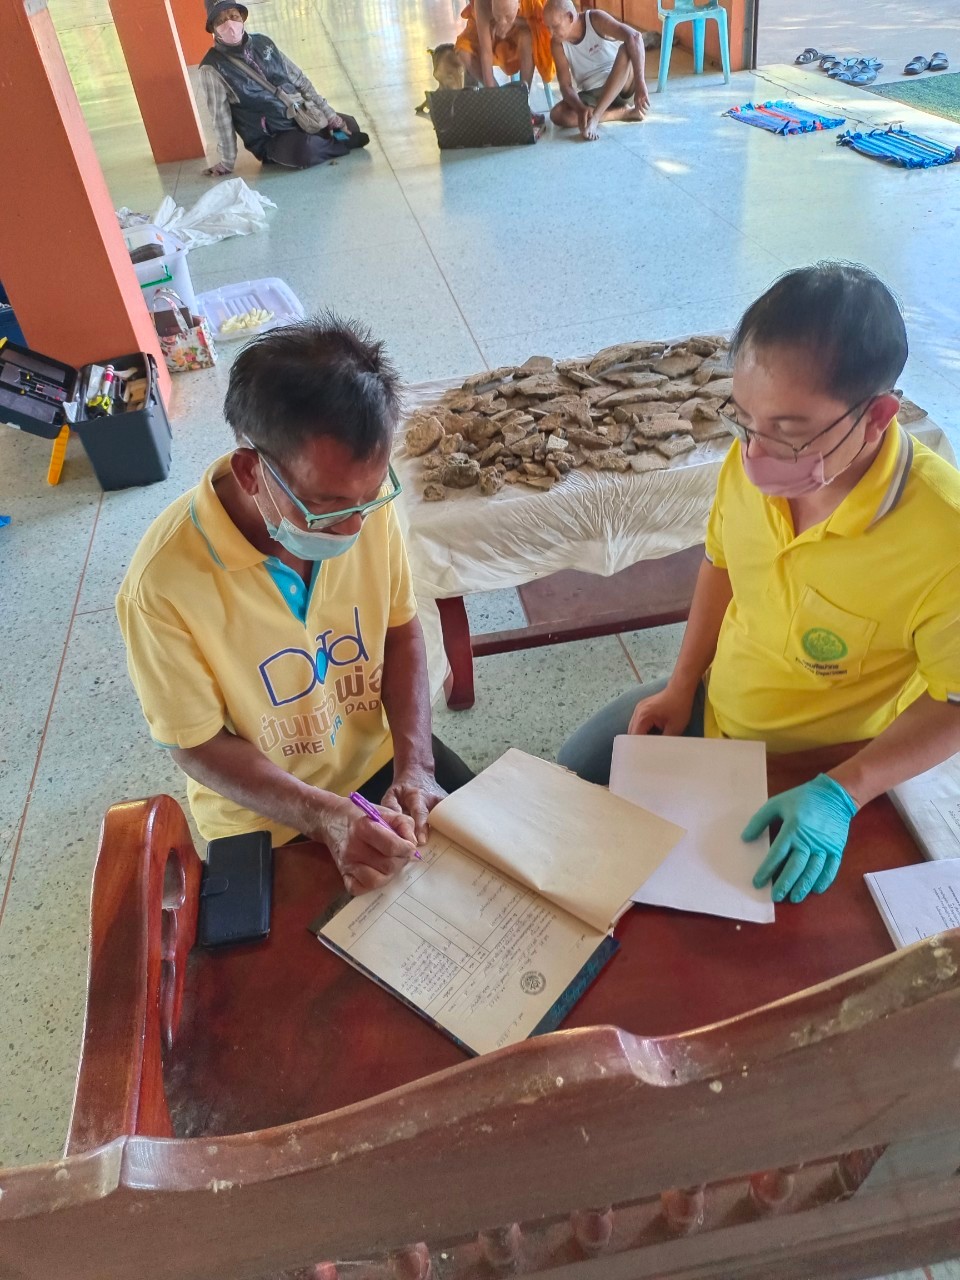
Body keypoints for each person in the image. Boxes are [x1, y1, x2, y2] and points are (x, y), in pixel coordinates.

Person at [559, 262, 960, 905]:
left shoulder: (944, 538)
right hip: (718, 702)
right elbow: (721, 566)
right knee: (568, 781)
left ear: (879, 415)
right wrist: (683, 684)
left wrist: (845, 789)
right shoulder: (749, 463)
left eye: (789, 432)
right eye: (745, 420)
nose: (754, 454)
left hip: (816, 766)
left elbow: (955, 702)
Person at [117, 316, 473, 896]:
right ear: (251, 471)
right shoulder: (162, 587)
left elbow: (400, 630)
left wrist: (416, 766)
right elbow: (197, 743)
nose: (354, 526)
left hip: (379, 766)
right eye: (327, 506)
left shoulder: (363, 504)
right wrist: (322, 815)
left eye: (368, 498)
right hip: (267, 816)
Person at [199, 0, 370, 176]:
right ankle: (339, 143)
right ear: (213, 29)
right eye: (221, 21)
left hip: (301, 115)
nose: (229, 24)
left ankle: (332, 139)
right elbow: (221, 118)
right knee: (306, 150)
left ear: (242, 18)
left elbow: (301, 81)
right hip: (272, 136)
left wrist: (331, 116)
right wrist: (227, 162)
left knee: (349, 123)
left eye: (233, 16)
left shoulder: (264, 43)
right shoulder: (212, 68)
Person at [543, 0, 649, 139]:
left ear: (570, 17)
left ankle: (596, 117)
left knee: (625, 49)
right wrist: (580, 109)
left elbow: (635, 36)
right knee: (557, 114)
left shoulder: (594, 19)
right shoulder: (557, 44)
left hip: (621, 84)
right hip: (592, 95)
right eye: (548, 28)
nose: (551, 33)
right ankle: (622, 113)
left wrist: (640, 83)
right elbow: (565, 86)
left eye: (555, 26)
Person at [455, 0, 555, 98]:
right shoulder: (482, 3)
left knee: (527, 38)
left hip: (519, 28)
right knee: (463, 51)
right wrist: (491, 90)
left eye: (508, 16)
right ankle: (499, 96)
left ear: (519, 4)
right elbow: (485, 51)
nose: (503, 22)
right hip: (491, 31)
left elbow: (541, 23)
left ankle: (523, 97)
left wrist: (514, 21)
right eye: (498, 16)